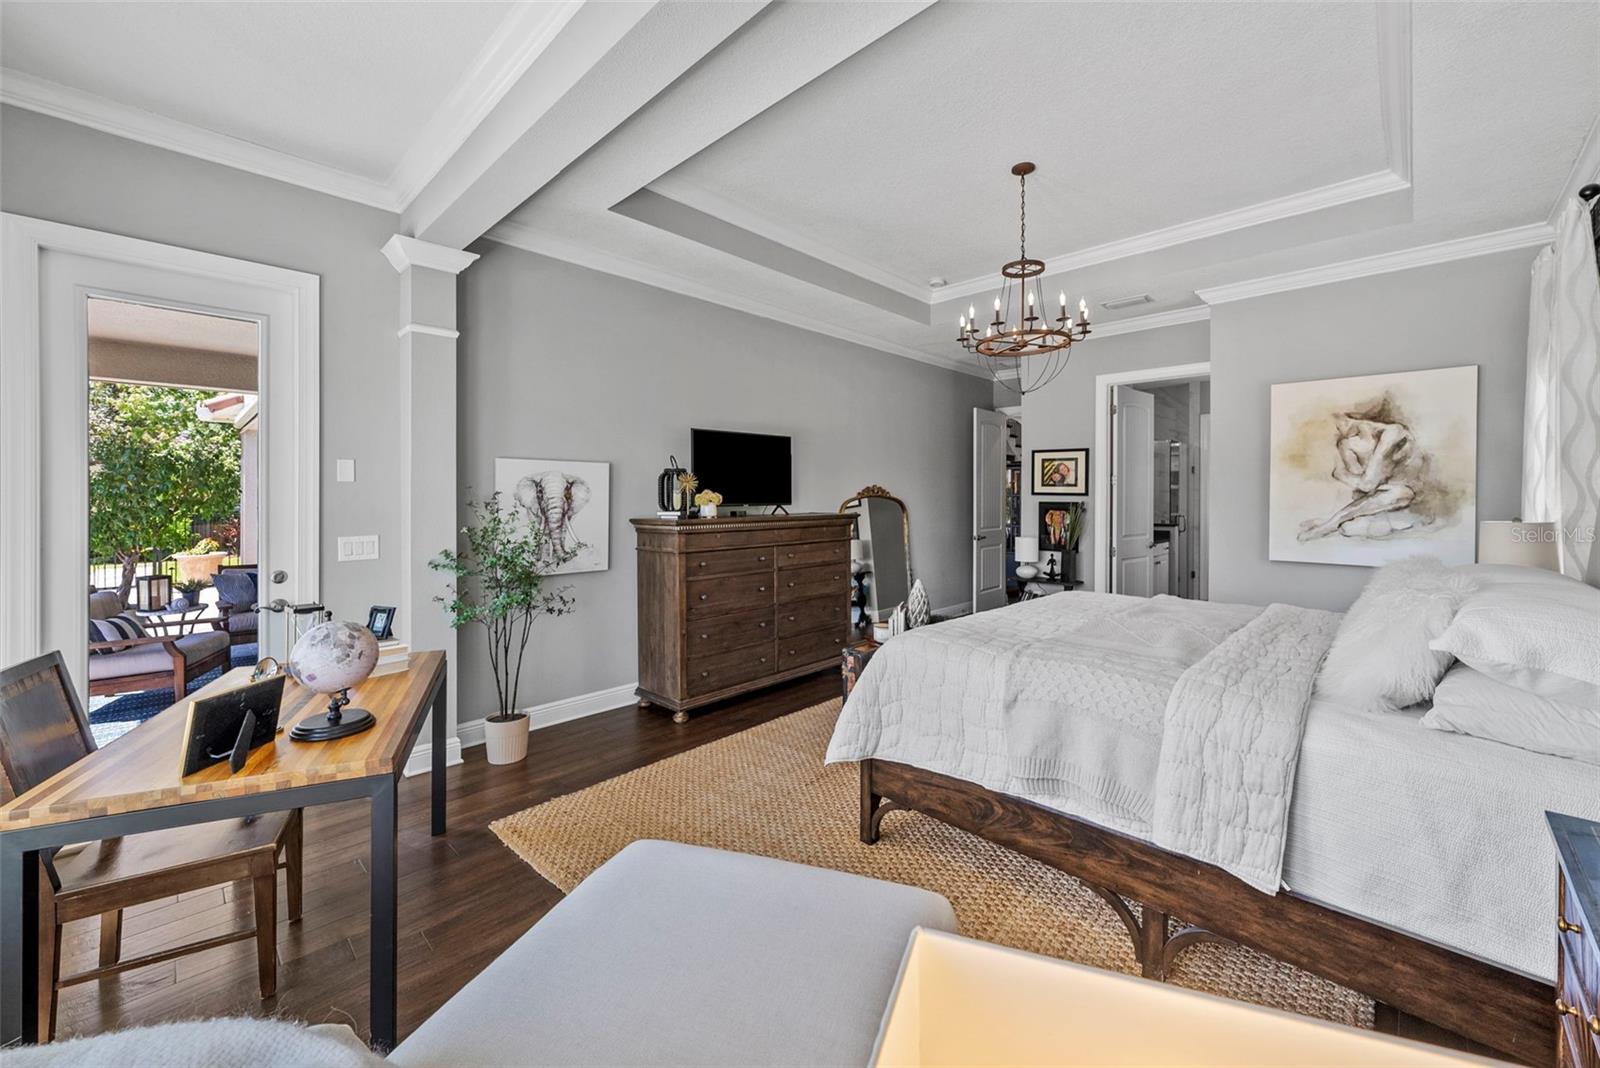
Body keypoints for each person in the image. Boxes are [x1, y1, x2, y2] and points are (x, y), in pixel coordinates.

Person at [1297, 395, 1426, 542]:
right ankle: (1336, 521)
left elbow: (1366, 483)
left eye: (1336, 427)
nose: (1336, 434)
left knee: (1401, 493)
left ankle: (1329, 525)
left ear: (1344, 419)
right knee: (1350, 527)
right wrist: (1358, 478)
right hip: (1376, 498)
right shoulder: (1347, 444)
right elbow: (1348, 478)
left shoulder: (1393, 433)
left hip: (1401, 496)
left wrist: (1356, 479)